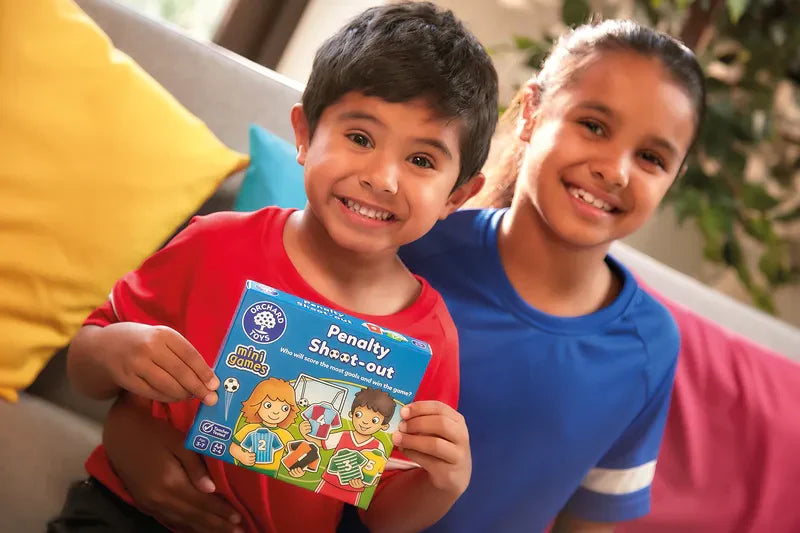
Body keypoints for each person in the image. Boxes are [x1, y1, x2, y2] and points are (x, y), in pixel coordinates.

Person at [97, 18, 707, 533]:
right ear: (530, 114)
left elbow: (594, 517)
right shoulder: (397, 242)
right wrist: (129, 432)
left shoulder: (648, 347)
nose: (615, 169)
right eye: (593, 125)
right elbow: (216, 352)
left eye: (652, 157)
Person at [51, 2, 498, 533]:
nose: (382, 178)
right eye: (360, 138)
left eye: (421, 160)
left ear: (458, 195)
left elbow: (384, 517)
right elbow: (85, 365)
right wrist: (118, 346)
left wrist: (442, 482)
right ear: (305, 134)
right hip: (119, 514)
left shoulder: (430, 339)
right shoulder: (214, 243)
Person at [300, 388, 394, 506]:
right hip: (328, 483)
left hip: (353, 490)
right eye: (359, 414)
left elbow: (377, 473)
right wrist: (306, 435)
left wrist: (364, 484)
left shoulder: (378, 446)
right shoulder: (343, 435)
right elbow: (322, 443)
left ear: (384, 426)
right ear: (351, 415)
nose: (365, 422)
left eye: (374, 420)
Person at [228, 378, 298, 476]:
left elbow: (294, 456)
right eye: (268, 405)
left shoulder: (285, 435)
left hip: (271, 474)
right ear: (256, 404)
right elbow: (234, 447)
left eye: (284, 408)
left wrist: (297, 470)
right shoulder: (249, 428)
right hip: (243, 469)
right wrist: (242, 456)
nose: (276, 412)